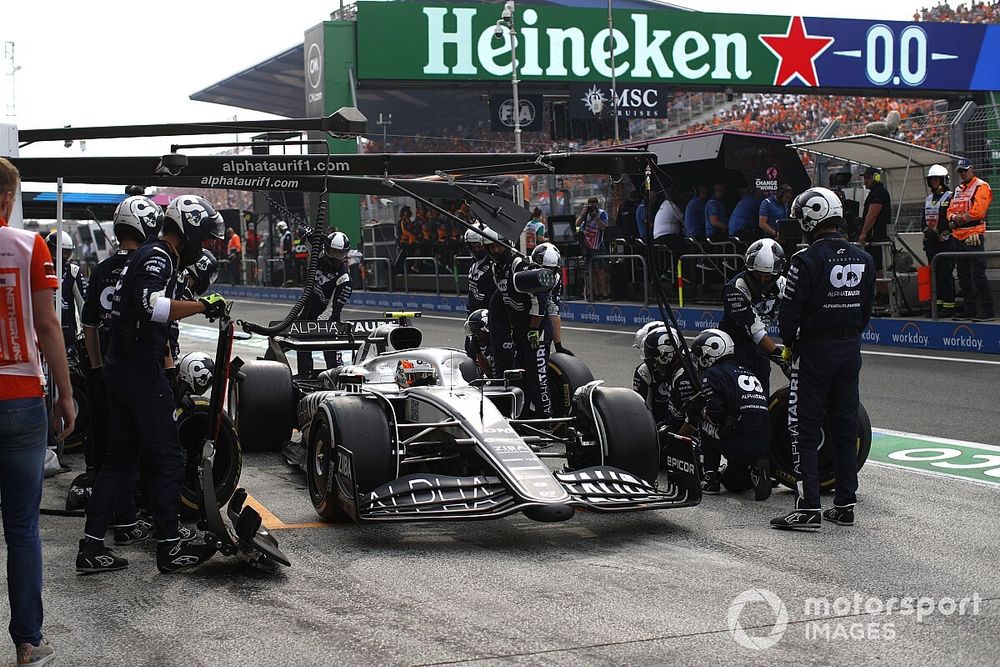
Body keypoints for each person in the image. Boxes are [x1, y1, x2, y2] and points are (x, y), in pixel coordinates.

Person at [77, 194, 227, 573]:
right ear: (189, 228)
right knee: (169, 457)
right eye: (205, 236)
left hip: (121, 367)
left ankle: (91, 547)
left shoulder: (153, 255)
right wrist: (203, 305)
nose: (206, 244)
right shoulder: (158, 256)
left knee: (120, 457)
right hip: (139, 372)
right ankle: (170, 546)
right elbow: (151, 307)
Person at [0, 157, 72, 666]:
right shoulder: (30, 246)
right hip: (22, 398)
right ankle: (28, 643)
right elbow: (48, 327)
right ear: (8, 199)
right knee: (22, 525)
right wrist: (67, 394)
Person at [771, 187, 875, 531]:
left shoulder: (805, 260)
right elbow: (865, 311)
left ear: (810, 219)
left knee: (802, 427)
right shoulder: (864, 258)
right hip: (850, 351)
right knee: (845, 428)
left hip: (815, 352)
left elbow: (788, 316)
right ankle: (845, 503)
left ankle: (808, 507)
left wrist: (791, 342)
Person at [73, 195, 163, 521]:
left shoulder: (101, 269)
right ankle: (146, 514)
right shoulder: (149, 264)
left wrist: (96, 369)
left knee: (111, 445)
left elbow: (89, 323)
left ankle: (116, 515)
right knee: (149, 446)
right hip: (140, 365)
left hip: (108, 367)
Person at [683, 329, 770, 501]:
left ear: (711, 352)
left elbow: (715, 415)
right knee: (733, 484)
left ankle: (710, 477)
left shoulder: (712, 374)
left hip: (737, 439)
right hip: (764, 440)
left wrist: (698, 411)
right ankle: (755, 466)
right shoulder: (747, 371)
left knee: (702, 421)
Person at [720, 238, 787, 398]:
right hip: (734, 349)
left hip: (761, 351)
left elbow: (793, 317)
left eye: (768, 277)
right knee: (739, 396)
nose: (763, 281)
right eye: (758, 276)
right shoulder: (735, 288)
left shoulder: (783, 285)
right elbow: (754, 329)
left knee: (762, 394)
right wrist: (781, 359)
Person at [490, 239, 551, 417]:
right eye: (491, 247)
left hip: (536, 328)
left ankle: (545, 420)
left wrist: (533, 329)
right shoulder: (496, 269)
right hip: (519, 329)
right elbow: (504, 301)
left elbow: (540, 297)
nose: (495, 250)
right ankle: (521, 417)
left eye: (498, 246)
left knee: (537, 376)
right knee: (518, 376)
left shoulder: (519, 264)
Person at [297, 231, 353, 377]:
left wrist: (317, 324)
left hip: (328, 318)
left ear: (345, 254)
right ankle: (305, 374)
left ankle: (334, 376)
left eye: (339, 254)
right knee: (300, 344)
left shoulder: (344, 278)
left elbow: (333, 309)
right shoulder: (318, 255)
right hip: (307, 309)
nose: (334, 257)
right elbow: (302, 237)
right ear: (326, 249)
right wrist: (312, 234)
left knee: (331, 352)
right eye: (332, 251)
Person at [947, 158, 994, 321]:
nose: (962, 173)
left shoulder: (981, 186)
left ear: (972, 169)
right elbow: (949, 211)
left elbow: (978, 212)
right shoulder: (958, 189)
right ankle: (970, 309)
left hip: (974, 235)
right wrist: (955, 219)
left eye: (965, 170)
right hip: (957, 236)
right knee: (963, 274)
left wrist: (959, 219)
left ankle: (988, 310)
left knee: (978, 274)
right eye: (960, 171)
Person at [632, 325, 683, 428]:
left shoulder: (687, 367)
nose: (647, 358)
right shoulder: (643, 372)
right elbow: (643, 412)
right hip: (660, 425)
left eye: (650, 352)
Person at [921, 164, 955, 314]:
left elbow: (948, 217)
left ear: (943, 180)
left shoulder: (950, 196)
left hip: (945, 241)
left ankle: (949, 306)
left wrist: (937, 230)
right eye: (932, 179)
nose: (934, 182)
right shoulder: (928, 198)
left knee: (945, 273)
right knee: (934, 274)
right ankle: (938, 304)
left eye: (937, 179)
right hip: (931, 241)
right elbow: (923, 218)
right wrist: (926, 231)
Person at [46, 231, 86, 352]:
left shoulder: (73, 271)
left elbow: (82, 303)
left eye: (68, 252)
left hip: (67, 333)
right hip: (42, 329)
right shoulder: (37, 269)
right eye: (62, 252)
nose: (65, 256)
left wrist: (85, 330)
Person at [530, 242, 572, 355]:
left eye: (552, 270)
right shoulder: (524, 273)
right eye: (545, 269)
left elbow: (553, 309)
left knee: (545, 336)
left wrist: (558, 345)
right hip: (522, 318)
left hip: (540, 317)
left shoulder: (556, 279)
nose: (547, 275)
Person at [858, 166, 891, 283]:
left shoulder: (878, 193)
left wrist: (863, 233)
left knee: (877, 266)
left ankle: (883, 293)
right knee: (875, 266)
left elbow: (872, 215)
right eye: (864, 178)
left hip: (876, 236)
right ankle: (881, 294)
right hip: (875, 236)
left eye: (867, 178)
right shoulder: (876, 192)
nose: (865, 181)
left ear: (875, 178)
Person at [576, 197, 609, 300]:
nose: (592, 208)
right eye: (590, 206)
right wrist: (583, 214)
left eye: (594, 206)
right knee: (591, 271)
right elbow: (576, 224)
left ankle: (604, 293)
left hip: (598, 245)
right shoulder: (586, 214)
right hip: (587, 246)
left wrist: (596, 217)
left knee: (600, 270)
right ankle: (595, 292)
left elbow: (604, 227)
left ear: (597, 205)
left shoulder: (602, 213)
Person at [464, 225, 497, 314]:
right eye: (473, 247)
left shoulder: (494, 265)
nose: (476, 250)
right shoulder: (473, 263)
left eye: (479, 247)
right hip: (474, 312)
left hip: (489, 313)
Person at [464, 308, 492, 377]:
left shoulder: (496, 345)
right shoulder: (473, 341)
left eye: (476, 331)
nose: (475, 335)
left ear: (486, 328)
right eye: (473, 331)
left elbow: (489, 372)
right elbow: (469, 366)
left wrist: (478, 353)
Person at [276, 220, 292, 286]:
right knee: (285, 269)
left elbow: (288, 245)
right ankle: (286, 281)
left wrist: (287, 253)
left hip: (287, 255)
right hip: (284, 255)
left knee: (288, 269)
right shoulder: (283, 235)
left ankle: (289, 282)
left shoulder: (288, 234)